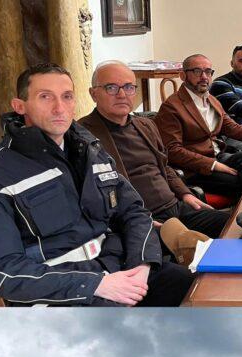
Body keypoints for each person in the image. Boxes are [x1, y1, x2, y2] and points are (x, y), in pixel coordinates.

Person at [0, 63, 192, 306]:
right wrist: (96, 284)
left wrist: (142, 264)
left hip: (119, 267)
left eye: (67, 97)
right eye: (45, 97)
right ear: (19, 105)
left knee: (191, 288)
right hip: (61, 294)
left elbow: (134, 211)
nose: (59, 108)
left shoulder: (90, 150)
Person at [80, 60, 229, 240]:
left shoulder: (145, 125)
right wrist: (136, 221)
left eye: (128, 87)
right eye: (111, 87)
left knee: (235, 227)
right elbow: (92, 197)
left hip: (176, 208)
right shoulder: (83, 136)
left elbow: (164, 166)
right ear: (93, 93)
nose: (121, 94)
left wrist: (185, 193)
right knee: (194, 250)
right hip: (141, 220)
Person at [156, 54, 242, 200]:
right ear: (182, 75)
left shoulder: (211, 100)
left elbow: (233, 128)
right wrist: (212, 165)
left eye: (208, 72)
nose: (204, 77)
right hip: (195, 169)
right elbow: (173, 151)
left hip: (218, 155)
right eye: (197, 71)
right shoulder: (172, 107)